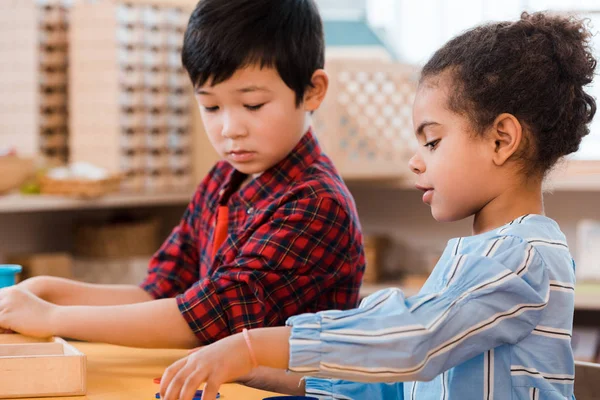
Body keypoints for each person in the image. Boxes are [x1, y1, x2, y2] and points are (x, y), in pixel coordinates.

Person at [158, 11, 596, 400]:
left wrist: (249, 346)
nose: (415, 158)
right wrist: (267, 373)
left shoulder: (523, 257)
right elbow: (406, 381)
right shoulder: (484, 255)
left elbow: (412, 340)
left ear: (501, 139)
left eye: (433, 141)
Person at [0, 0, 365, 349]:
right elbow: (159, 293)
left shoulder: (316, 204)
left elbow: (204, 317)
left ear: (312, 91)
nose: (229, 128)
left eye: (253, 104)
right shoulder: (222, 179)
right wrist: (47, 290)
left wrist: (54, 317)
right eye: (211, 105)